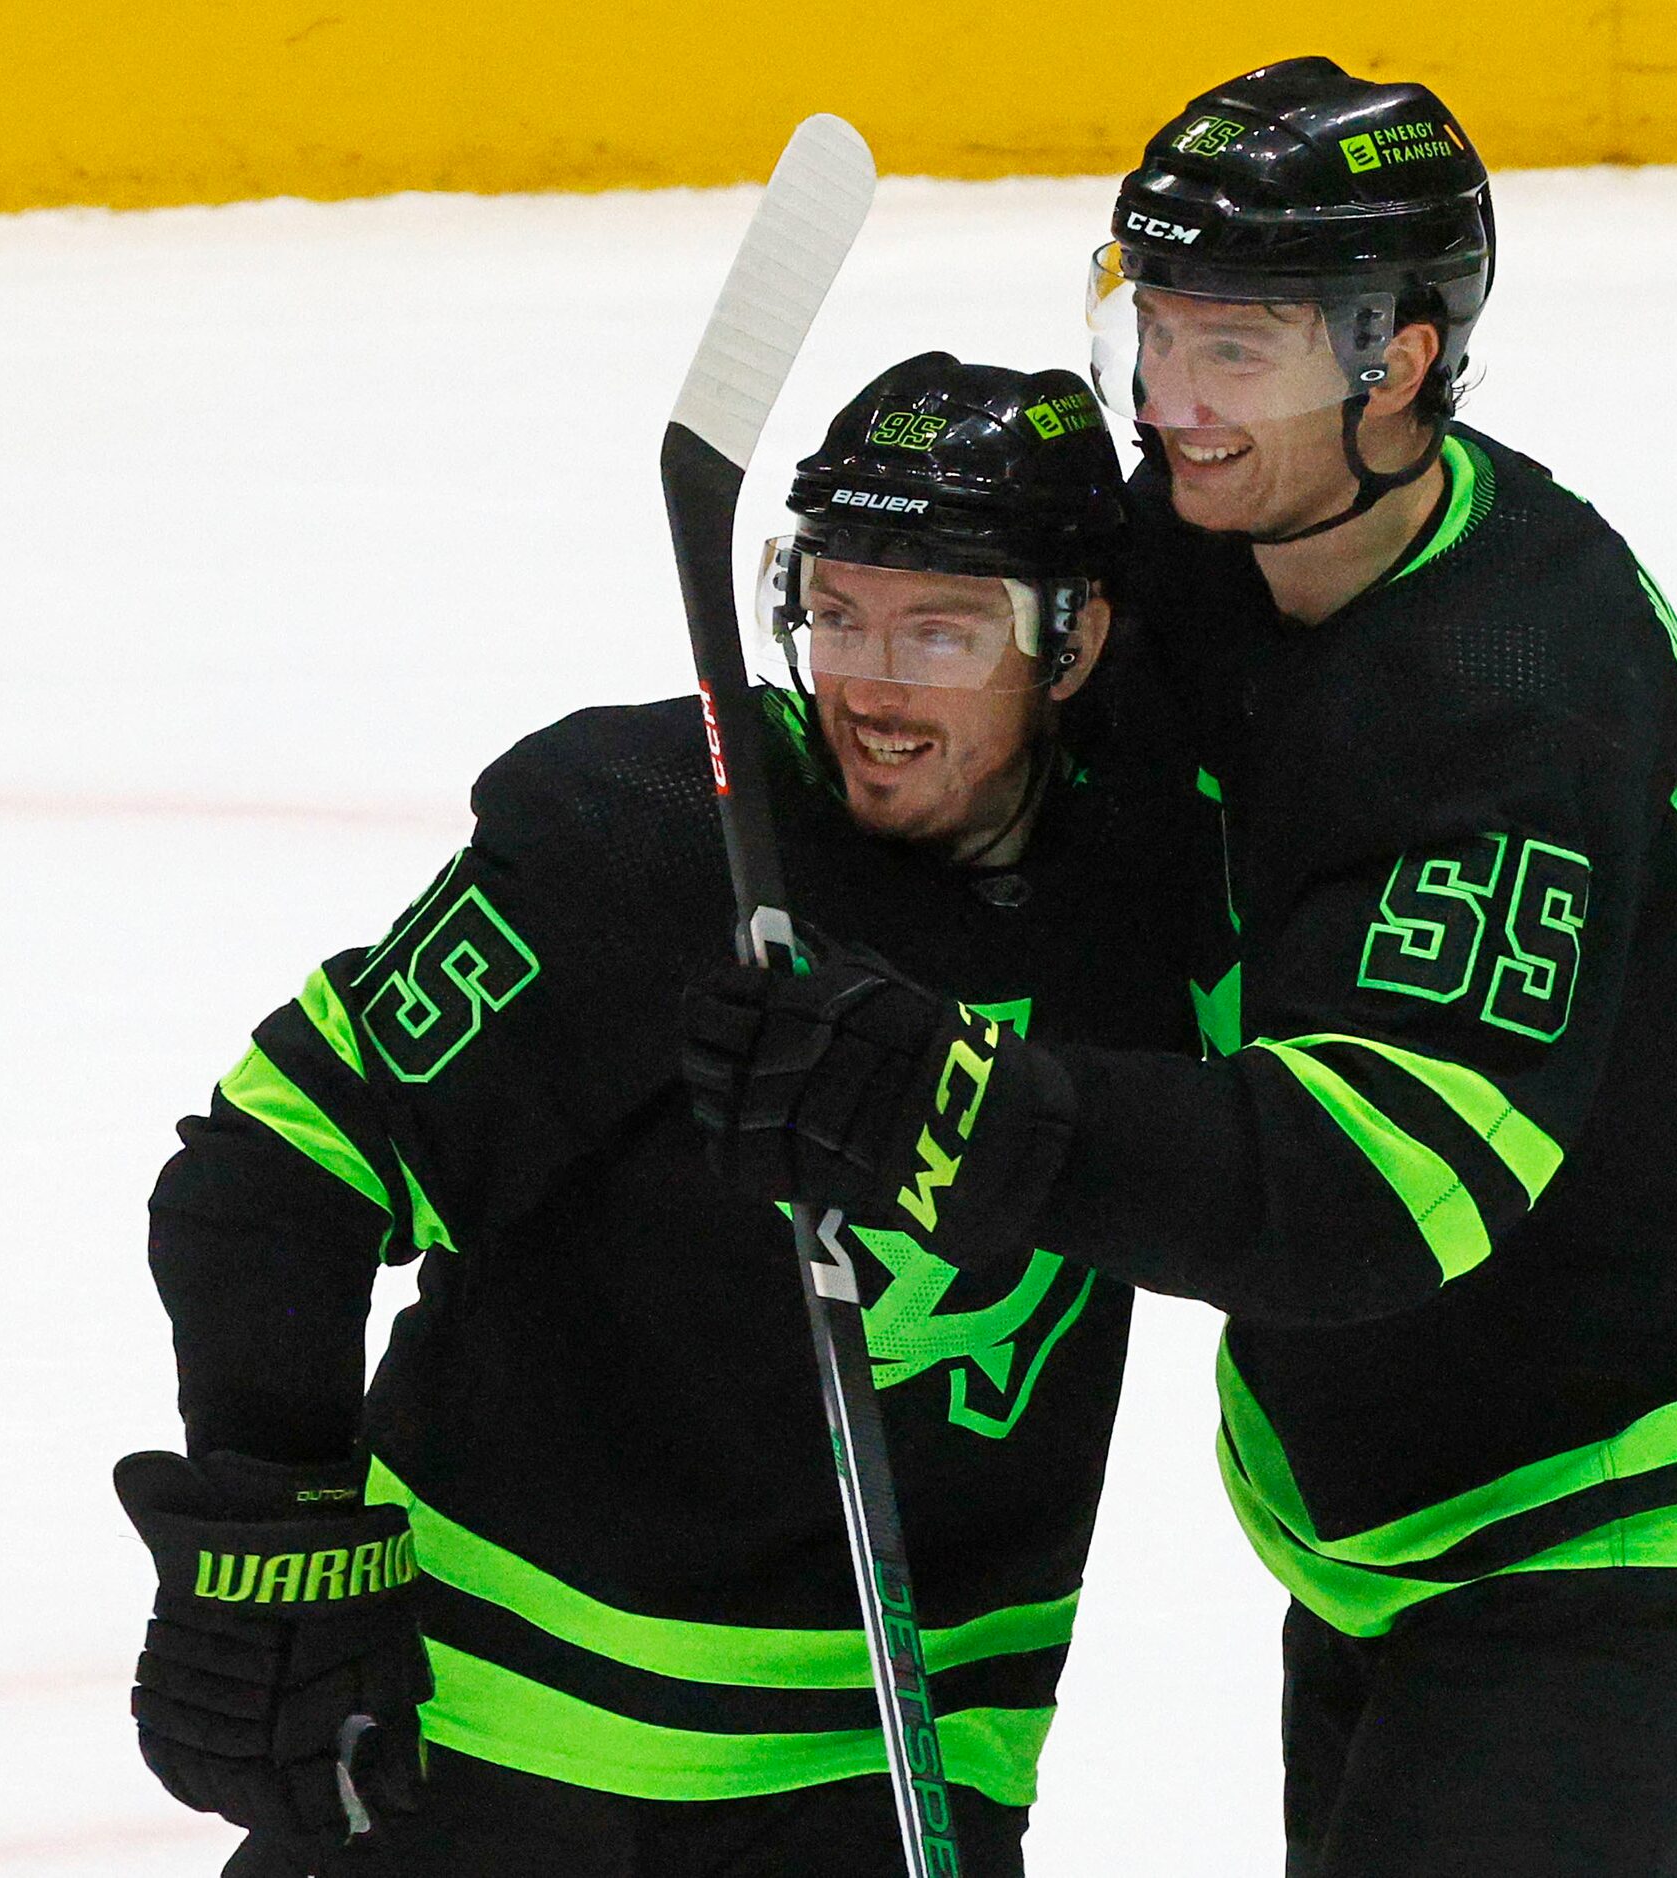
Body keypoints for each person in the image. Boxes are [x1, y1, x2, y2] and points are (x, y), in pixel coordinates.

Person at [684, 58, 1677, 1878]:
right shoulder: (1200, 550)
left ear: (1400, 359)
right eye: (1159, 330)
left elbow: (1373, 1194)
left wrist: (957, 1113)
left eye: (1239, 353)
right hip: (1395, 1487)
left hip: (1657, 1485)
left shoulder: (1511, 682)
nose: (1173, 407)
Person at [117, 354, 1214, 1877]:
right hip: (482, 1738)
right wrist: (277, 1531)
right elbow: (272, 1175)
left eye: (944, 630)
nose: (874, 686)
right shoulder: (650, 839)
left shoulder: (1173, 888)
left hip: (890, 1758)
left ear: (1075, 638)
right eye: (839, 613)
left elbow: (1293, 1193)